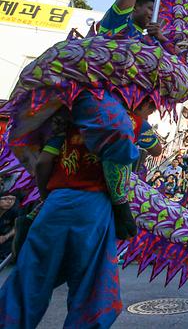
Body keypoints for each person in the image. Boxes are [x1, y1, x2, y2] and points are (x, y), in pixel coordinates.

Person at [0, 98, 158, 329]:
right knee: (92, 289)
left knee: (29, 280)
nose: (151, 113)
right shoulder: (130, 120)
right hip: (94, 206)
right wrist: (122, 208)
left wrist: (49, 197)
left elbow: (44, 162)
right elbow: (131, 158)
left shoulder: (72, 115)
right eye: (151, 108)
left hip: (55, 202)